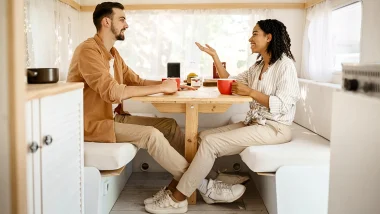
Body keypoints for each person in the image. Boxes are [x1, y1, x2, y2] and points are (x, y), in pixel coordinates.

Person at [144, 19, 300, 214]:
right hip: (254, 123)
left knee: (210, 144)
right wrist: (215, 57)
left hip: (275, 128)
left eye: (255, 34)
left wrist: (250, 92)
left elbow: (283, 104)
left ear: (269, 37)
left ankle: (177, 198)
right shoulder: (258, 66)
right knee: (202, 138)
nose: (250, 38)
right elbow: (229, 79)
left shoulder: (285, 66)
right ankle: (198, 189)